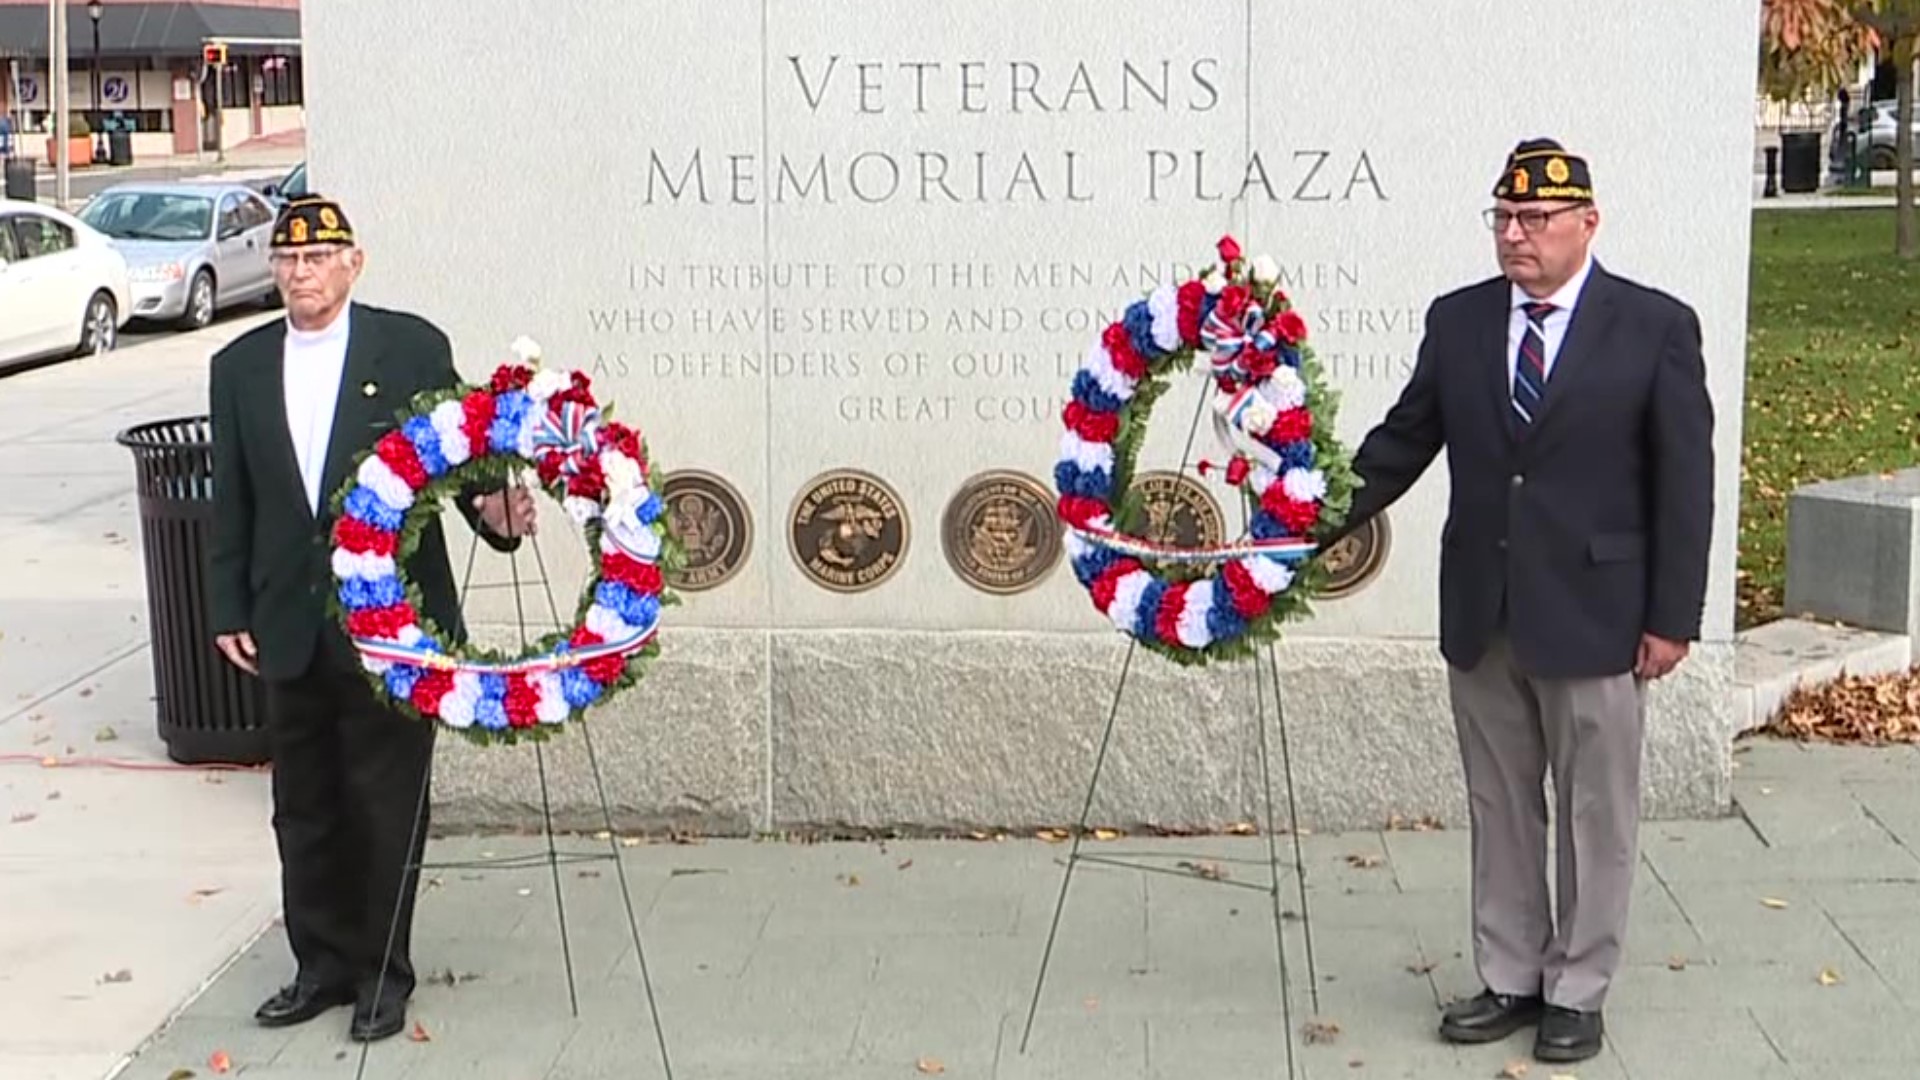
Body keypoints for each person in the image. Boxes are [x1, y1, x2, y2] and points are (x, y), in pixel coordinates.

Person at [1317, 139, 1713, 1064]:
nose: (1515, 234)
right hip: (1485, 609)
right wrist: (1308, 513)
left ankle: (1580, 987)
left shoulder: (1653, 326)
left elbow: (1684, 482)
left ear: (1588, 222)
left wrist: (1672, 617)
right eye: (1503, 217)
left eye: (1535, 219)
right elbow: (1403, 443)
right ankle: (1511, 975)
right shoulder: (1458, 323)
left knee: (1594, 811)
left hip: (1600, 615)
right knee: (1500, 803)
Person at [207, 194, 537, 1042]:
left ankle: (383, 976)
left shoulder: (410, 347)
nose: (300, 273)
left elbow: (456, 458)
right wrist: (226, 604)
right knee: (303, 806)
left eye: (318, 258)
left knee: (386, 802)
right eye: (287, 259)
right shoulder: (240, 365)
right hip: (286, 622)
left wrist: (497, 515)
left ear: (353, 263)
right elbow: (232, 500)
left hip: (393, 623)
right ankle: (318, 966)